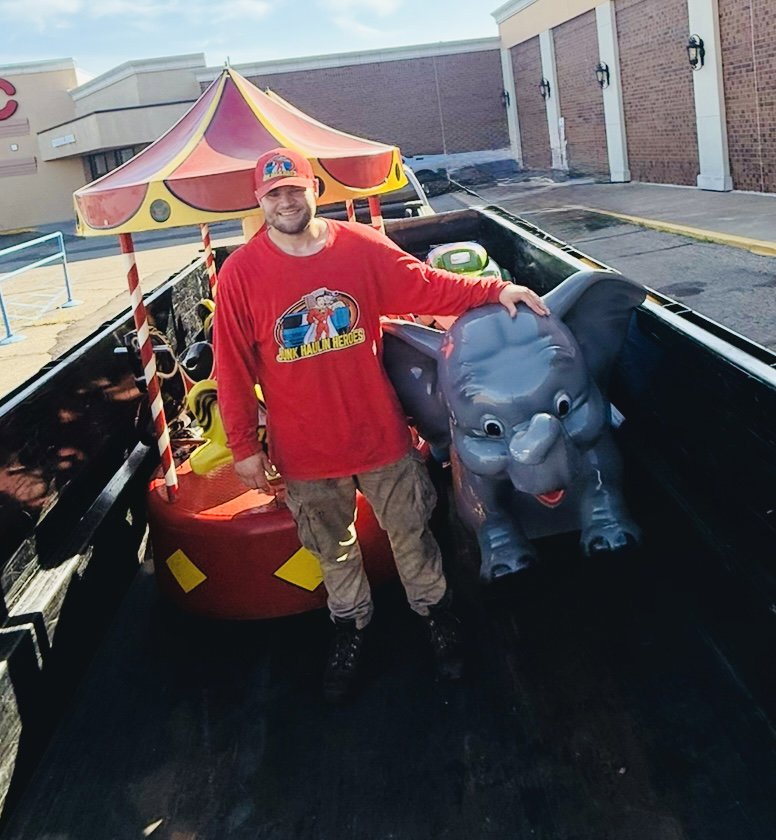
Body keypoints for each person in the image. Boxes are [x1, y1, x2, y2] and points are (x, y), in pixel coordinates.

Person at [213, 147, 550, 703]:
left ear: (313, 189)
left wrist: (495, 290)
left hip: (379, 437)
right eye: (274, 194)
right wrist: (245, 447)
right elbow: (230, 366)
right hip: (304, 452)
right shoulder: (241, 275)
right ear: (259, 201)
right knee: (331, 549)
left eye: (294, 188)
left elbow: (427, 285)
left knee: (412, 533)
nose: (286, 200)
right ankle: (351, 625)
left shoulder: (360, 248)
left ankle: (436, 615)